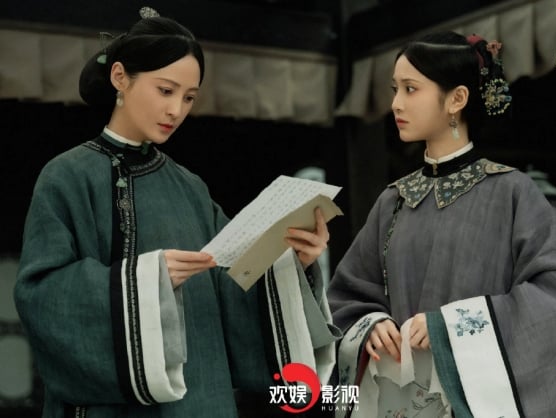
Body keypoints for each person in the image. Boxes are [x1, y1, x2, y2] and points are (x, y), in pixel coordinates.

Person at [13, 9, 339, 418]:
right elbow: (41, 295)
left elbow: (234, 284)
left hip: (202, 400)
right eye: (165, 90)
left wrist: (293, 261)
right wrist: (146, 280)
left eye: (188, 98)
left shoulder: (191, 188)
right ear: (120, 77)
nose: (176, 110)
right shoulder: (67, 176)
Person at [327, 31, 556, 418]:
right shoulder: (393, 200)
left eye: (411, 89)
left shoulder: (511, 193)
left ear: (457, 99)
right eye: (395, 89)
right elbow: (346, 296)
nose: (396, 103)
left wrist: (451, 327)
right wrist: (370, 324)